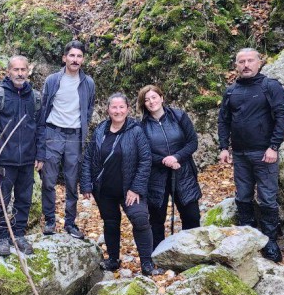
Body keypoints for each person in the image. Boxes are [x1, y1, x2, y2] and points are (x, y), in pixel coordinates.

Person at [218, 48, 284, 262]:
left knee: (267, 197)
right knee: (242, 196)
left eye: (250, 60)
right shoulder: (231, 91)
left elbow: (282, 116)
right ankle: (248, 235)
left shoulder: (270, 86)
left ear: (259, 63)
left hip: (264, 153)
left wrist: (274, 147)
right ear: (236, 66)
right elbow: (224, 121)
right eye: (241, 61)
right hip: (240, 154)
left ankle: (270, 241)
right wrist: (224, 147)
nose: (246, 64)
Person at [80, 93, 164, 275]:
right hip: (105, 190)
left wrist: (136, 188)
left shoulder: (136, 130)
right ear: (108, 109)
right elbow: (88, 157)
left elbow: (145, 160)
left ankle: (147, 264)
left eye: (121, 107)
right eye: (114, 107)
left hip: (130, 189)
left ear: (127, 109)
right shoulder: (101, 130)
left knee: (140, 219)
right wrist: (86, 183)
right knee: (110, 223)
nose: (117, 111)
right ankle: (113, 260)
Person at [35, 40, 96, 239]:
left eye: (79, 56)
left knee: (71, 181)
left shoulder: (88, 83)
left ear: (83, 59)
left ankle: (70, 223)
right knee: (48, 180)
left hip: (75, 135)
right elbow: (43, 109)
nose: (75, 60)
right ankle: (50, 220)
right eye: (72, 56)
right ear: (64, 58)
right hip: (53, 133)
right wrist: (41, 140)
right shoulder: (53, 80)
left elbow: (88, 110)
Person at [0, 55, 39, 256]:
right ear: (8, 72)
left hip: (27, 160)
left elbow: (39, 127)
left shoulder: (34, 97)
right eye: (16, 70)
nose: (20, 73)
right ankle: (2, 238)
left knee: (24, 200)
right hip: (3, 160)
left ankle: (19, 235)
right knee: (1, 201)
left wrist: (39, 154)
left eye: (23, 69)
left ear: (28, 71)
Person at [138, 85, 202, 249]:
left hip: (183, 171)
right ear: (143, 104)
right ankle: (158, 256)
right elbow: (144, 153)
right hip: (156, 177)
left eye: (153, 97)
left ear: (161, 97)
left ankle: (192, 251)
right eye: (146, 100)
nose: (151, 102)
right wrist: (164, 161)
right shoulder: (142, 127)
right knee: (156, 220)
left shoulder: (178, 116)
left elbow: (192, 142)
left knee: (191, 215)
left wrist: (176, 157)